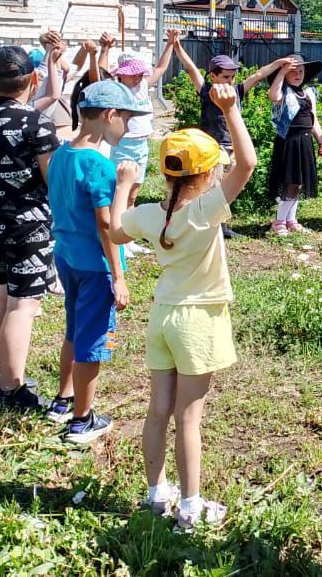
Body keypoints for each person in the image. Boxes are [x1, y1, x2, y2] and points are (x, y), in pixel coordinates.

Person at [110, 84, 254, 531]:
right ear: (208, 174)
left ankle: (157, 494)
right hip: (198, 320)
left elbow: (115, 232)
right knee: (189, 417)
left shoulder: (154, 215)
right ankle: (190, 507)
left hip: (162, 318)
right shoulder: (206, 209)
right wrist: (230, 110)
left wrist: (124, 186)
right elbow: (247, 163)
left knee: (158, 411)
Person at [44, 80, 143, 443]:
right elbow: (106, 224)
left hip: (67, 257)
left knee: (74, 330)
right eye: (126, 120)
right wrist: (119, 276)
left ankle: (63, 399)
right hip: (96, 266)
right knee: (92, 340)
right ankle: (82, 420)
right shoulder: (101, 166)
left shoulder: (60, 155)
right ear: (109, 115)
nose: (128, 128)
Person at [0, 46, 61, 412]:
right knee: (23, 305)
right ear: (34, 79)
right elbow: (50, 177)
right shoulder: (37, 123)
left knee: (2, 297)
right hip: (30, 222)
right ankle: (11, 390)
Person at [169, 31, 291, 149]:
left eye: (233, 77)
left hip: (234, 145)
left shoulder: (237, 90)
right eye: (226, 77)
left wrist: (278, 63)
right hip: (211, 146)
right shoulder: (206, 90)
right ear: (213, 76)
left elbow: (258, 76)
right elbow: (191, 68)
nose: (231, 80)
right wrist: (177, 46)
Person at [104, 46, 174, 210]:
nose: (138, 78)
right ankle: (115, 225)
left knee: (133, 192)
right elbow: (101, 76)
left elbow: (161, 68)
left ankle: (128, 224)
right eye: (133, 74)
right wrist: (103, 50)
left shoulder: (143, 85)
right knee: (119, 189)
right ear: (120, 74)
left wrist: (170, 43)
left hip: (142, 145)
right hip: (123, 145)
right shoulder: (116, 90)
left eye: (140, 74)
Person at [268, 55, 322, 235]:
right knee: (290, 182)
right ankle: (278, 222)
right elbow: (273, 95)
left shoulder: (308, 93)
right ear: (285, 74)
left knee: (298, 183)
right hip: (289, 142)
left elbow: (313, 119)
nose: (298, 74)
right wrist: (283, 71)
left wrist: (321, 142)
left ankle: (291, 220)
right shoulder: (283, 91)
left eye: (301, 71)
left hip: (305, 141)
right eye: (293, 71)